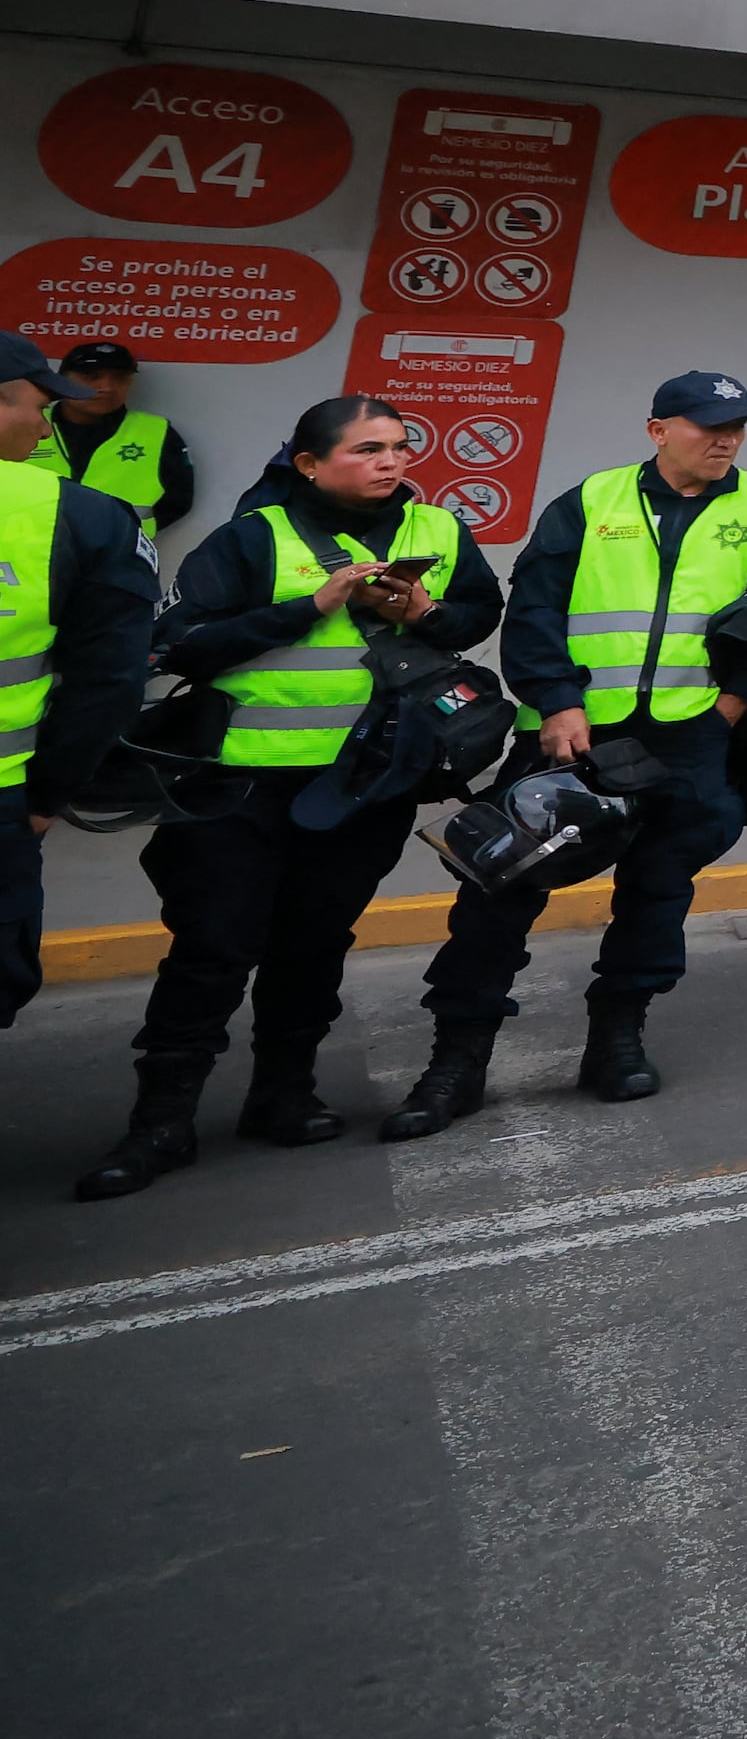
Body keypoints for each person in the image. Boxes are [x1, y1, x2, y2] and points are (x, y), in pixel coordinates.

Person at [382, 371, 747, 1134]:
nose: (725, 439)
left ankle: (617, 1039)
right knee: (499, 890)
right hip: (572, 733)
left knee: (657, 893)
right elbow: (534, 609)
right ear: (658, 429)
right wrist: (557, 702)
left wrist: (730, 706)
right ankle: (454, 1062)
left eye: (737, 428)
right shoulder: (591, 501)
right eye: (706, 426)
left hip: (691, 737)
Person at [84, 394, 504, 1194]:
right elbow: (182, 644)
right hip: (239, 790)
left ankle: (283, 1095)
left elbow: (477, 615)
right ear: (309, 463)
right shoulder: (254, 537)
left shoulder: (440, 531)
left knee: (313, 945)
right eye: (368, 449)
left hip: (367, 786)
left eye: (400, 447)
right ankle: (160, 1125)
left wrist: (428, 611)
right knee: (212, 948)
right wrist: (310, 607)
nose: (391, 462)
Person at [0, 335, 167, 1038]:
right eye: (35, 407)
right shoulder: (79, 515)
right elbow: (107, 682)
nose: (43, 429)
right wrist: (50, 795)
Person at [30, 341, 199, 541]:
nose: (107, 387)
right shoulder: (27, 423)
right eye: (91, 377)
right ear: (62, 380)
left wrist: (129, 535)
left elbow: (179, 500)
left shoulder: (156, 433)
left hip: (112, 558)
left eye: (120, 378)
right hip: (22, 552)